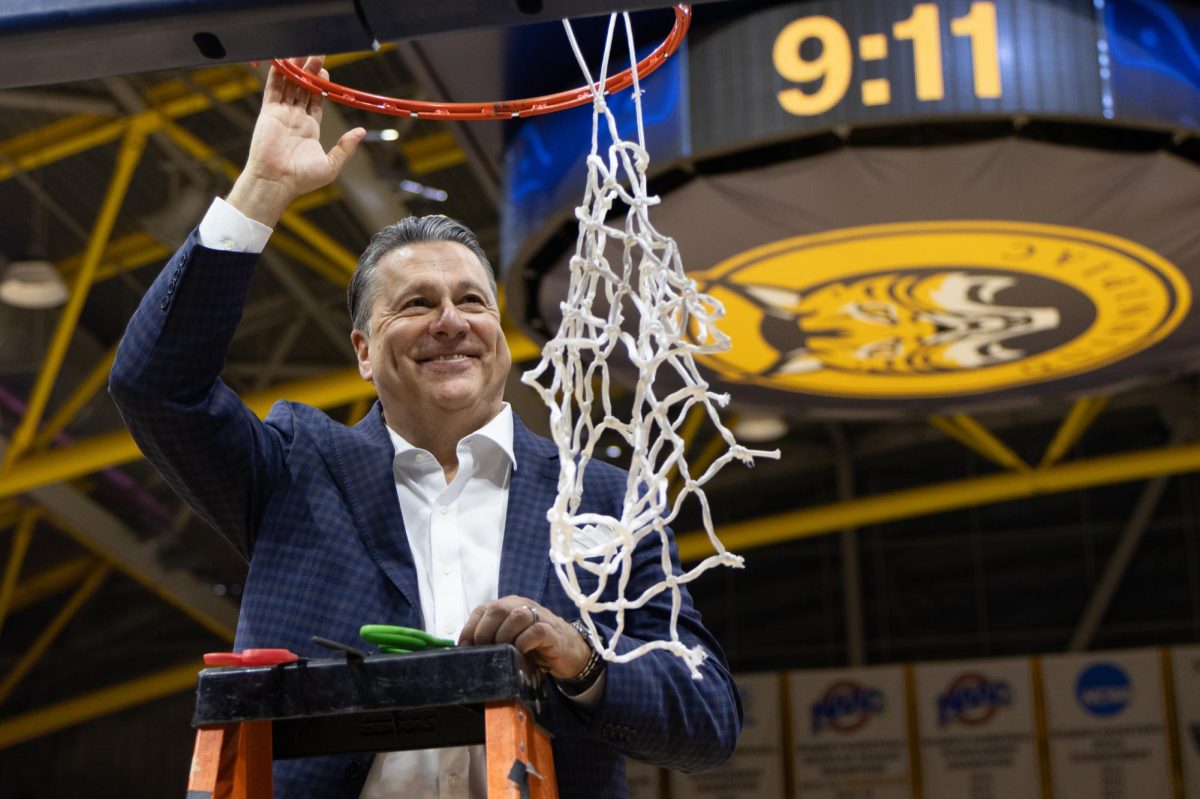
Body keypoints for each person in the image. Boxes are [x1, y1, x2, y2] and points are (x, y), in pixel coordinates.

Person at [109, 56, 740, 798]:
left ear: (500, 334)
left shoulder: (604, 498)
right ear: (363, 352)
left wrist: (585, 660)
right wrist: (263, 189)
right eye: (414, 304)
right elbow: (154, 387)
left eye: (472, 300)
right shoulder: (293, 469)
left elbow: (709, 717)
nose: (450, 321)